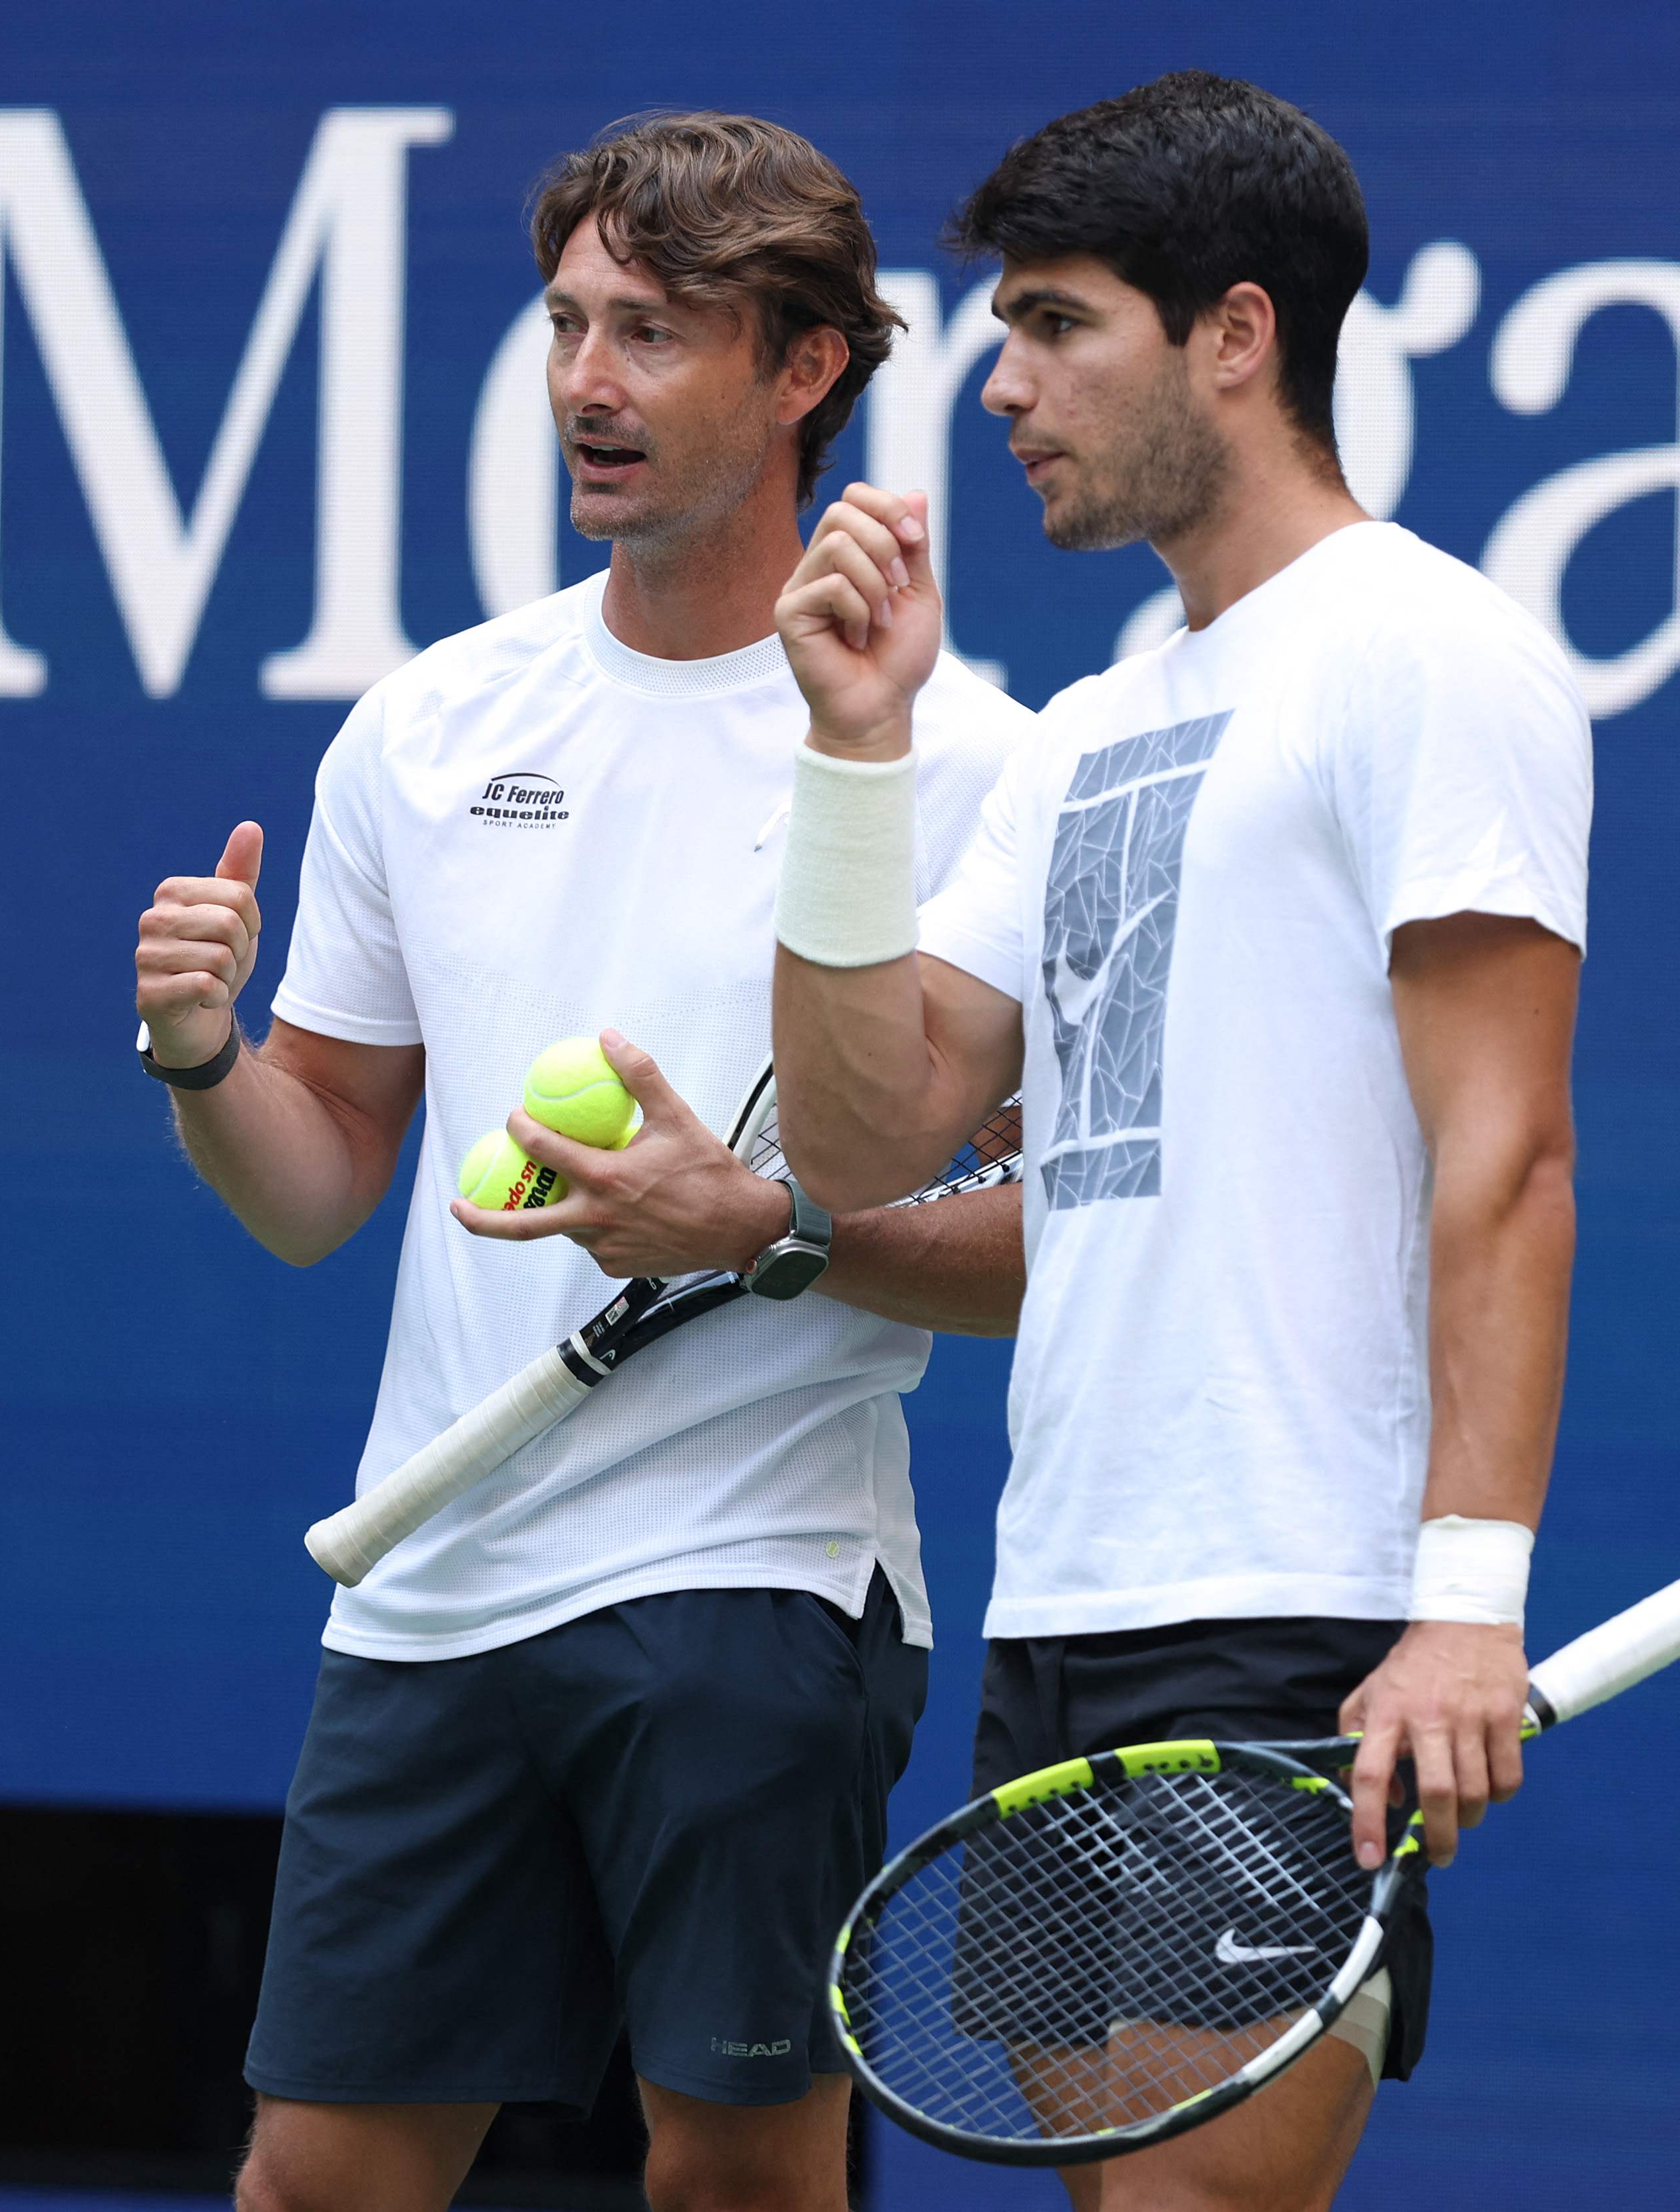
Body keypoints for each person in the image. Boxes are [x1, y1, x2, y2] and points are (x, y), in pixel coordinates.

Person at [130, 112, 1031, 2212]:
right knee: (314, 2184)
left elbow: (1065, 1241)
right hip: (433, 1580)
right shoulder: (430, 727)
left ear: (806, 368)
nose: (586, 383)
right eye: (566, 324)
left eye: (654, 332)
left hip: (752, 1574)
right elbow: (317, 1180)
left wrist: (779, 1232)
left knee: (732, 2182)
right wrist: (200, 1062)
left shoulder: (969, 760)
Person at [766, 73, 1591, 2212]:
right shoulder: (1099, 724)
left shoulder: (1429, 652)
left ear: (1235, 333)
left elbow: (1506, 1152)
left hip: (1298, 1608)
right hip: (1067, 1597)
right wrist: (855, 765)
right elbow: (869, 1129)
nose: (1006, 388)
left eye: (1055, 327)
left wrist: (1461, 1607)